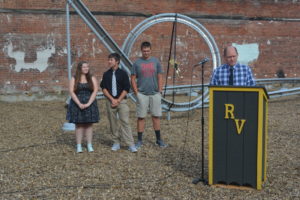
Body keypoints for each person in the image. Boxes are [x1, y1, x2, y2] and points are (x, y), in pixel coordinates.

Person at [131, 41, 167, 149]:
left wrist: (160, 90)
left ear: (151, 50)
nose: (146, 52)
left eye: (148, 51)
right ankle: (139, 141)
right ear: (141, 51)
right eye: (144, 51)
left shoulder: (155, 61)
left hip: (155, 93)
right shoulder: (137, 63)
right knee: (141, 117)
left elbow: (160, 76)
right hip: (142, 94)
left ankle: (158, 140)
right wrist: (136, 92)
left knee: (156, 116)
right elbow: (132, 78)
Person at [100, 53, 137, 153]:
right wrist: (112, 99)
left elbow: (126, 88)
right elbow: (103, 88)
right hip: (110, 102)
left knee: (125, 122)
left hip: (122, 102)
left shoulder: (123, 74)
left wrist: (118, 100)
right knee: (113, 123)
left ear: (117, 61)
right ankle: (116, 142)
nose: (109, 61)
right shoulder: (106, 74)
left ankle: (130, 144)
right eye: (109, 60)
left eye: (111, 60)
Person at [67, 61, 99, 153]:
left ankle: (89, 145)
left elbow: (95, 90)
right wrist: (79, 103)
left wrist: (89, 103)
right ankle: (79, 145)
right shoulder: (74, 78)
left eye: (87, 67)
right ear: (80, 68)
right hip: (77, 103)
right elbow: (71, 91)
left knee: (89, 124)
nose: (86, 68)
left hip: (90, 103)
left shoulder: (91, 77)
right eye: (84, 67)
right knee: (79, 125)